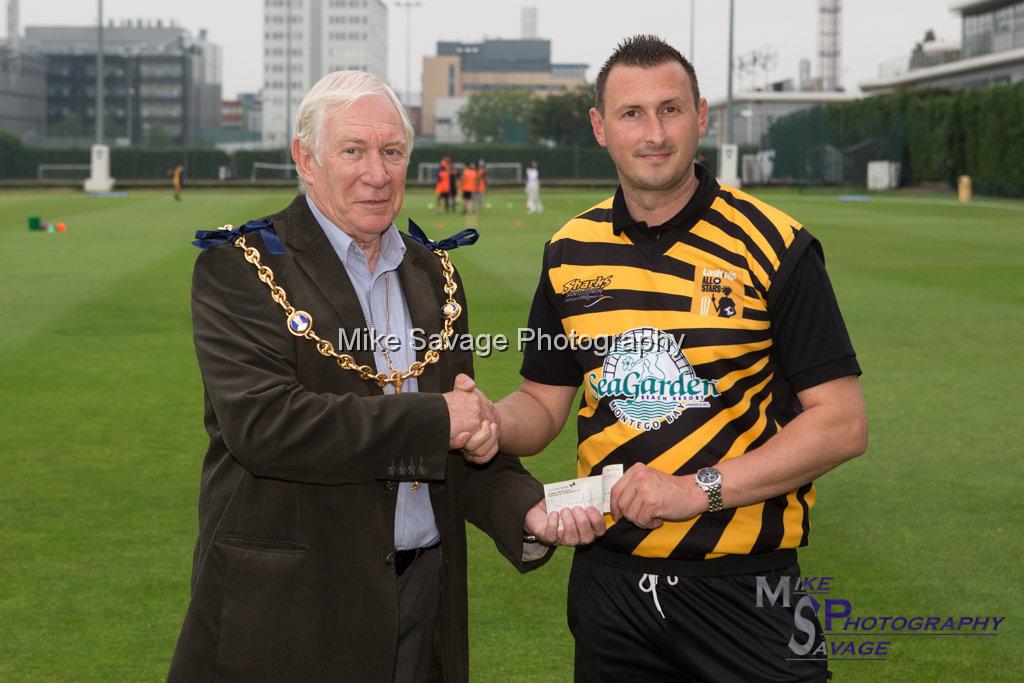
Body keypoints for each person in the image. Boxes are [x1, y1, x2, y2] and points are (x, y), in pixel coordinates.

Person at [167, 70, 597, 682]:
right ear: (305, 158)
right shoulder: (242, 269)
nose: (377, 172)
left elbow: (460, 440)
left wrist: (526, 510)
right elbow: (265, 426)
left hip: (423, 595)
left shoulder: (434, 274)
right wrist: (441, 419)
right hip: (291, 611)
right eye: (353, 150)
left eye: (392, 151)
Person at [466, 35, 868, 682]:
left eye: (671, 109)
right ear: (600, 127)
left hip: (748, 591)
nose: (654, 133)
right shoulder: (569, 251)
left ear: (701, 115)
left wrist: (692, 490)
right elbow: (541, 404)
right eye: (632, 113)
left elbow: (842, 422)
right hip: (611, 591)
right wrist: (488, 419)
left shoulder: (776, 244)